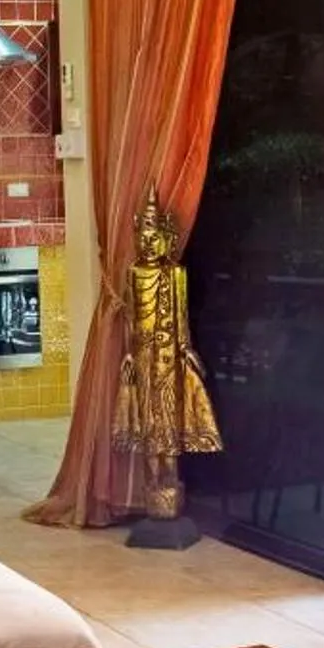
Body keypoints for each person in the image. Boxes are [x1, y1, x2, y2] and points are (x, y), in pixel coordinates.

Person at [112, 190, 221, 526]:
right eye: (142, 236)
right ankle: (152, 486)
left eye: (153, 237)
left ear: (164, 240)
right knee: (147, 420)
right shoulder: (133, 273)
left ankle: (171, 483)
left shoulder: (175, 275)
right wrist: (129, 353)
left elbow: (182, 319)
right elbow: (131, 317)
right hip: (144, 357)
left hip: (169, 359)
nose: (147, 243)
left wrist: (187, 351)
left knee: (170, 419)